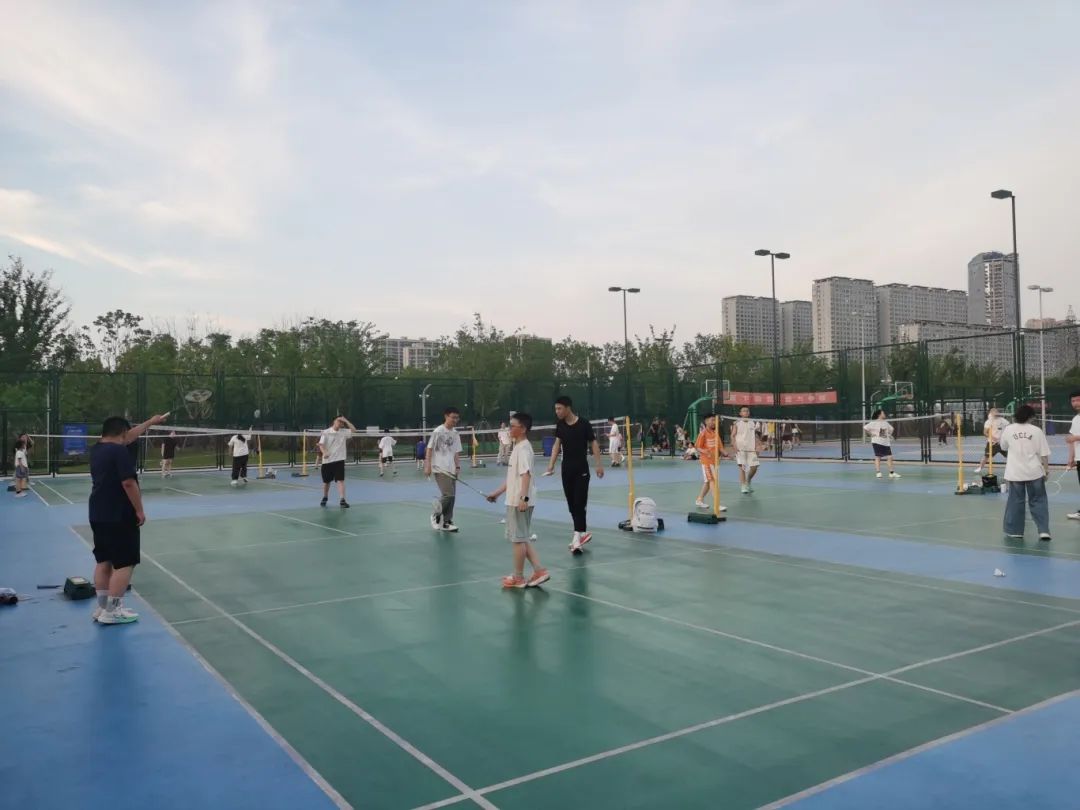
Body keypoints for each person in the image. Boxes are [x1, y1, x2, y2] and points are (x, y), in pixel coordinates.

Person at [89, 417, 148, 624]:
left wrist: (150, 422)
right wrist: (139, 510)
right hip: (119, 514)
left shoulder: (97, 449)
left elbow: (129, 436)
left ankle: (103, 607)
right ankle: (112, 611)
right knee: (125, 563)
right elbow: (128, 482)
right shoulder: (119, 451)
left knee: (103, 561)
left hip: (97, 513)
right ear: (123, 432)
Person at [486, 412, 549, 589]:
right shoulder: (519, 447)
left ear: (523, 429)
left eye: (512, 426)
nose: (509, 429)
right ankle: (539, 570)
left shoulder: (523, 449)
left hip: (519, 501)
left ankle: (518, 577)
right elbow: (513, 478)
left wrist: (523, 498)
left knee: (518, 540)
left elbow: (525, 475)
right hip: (515, 499)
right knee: (522, 538)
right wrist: (497, 493)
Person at [545, 395, 605, 554]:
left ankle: (576, 538)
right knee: (572, 504)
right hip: (566, 470)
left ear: (568, 408)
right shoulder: (560, 425)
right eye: (555, 409)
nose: (557, 411)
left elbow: (593, 443)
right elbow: (556, 445)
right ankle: (582, 533)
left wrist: (599, 465)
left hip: (581, 470)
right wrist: (551, 465)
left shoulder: (584, 424)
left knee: (579, 502)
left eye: (559, 408)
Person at [999, 405, 1052, 541]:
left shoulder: (1008, 429)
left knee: (1016, 501)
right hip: (1035, 471)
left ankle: (1015, 531)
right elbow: (1044, 453)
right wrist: (1046, 470)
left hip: (1015, 472)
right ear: (1031, 416)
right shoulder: (1037, 431)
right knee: (1039, 500)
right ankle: (1043, 531)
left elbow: (1003, 446)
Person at [425, 407, 462, 532]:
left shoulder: (455, 433)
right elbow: (429, 449)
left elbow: (456, 452)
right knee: (448, 494)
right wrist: (427, 465)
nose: (455, 420)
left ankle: (446, 522)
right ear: (446, 416)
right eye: (453, 417)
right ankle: (435, 515)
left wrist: (457, 467)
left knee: (452, 497)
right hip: (439, 468)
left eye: (457, 418)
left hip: (451, 468)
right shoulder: (438, 431)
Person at [318, 416, 356, 507]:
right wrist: (325, 452)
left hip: (339, 460)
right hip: (327, 461)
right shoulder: (326, 432)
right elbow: (321, 444)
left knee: (340, 480)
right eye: (339, 421)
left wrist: (346, 420)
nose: (340, 423)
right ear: (334, 422)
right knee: (326, 482)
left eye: (342, 422)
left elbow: (354, 430)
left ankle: (342, 500)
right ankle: (325, 497)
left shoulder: (344, 432)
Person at [694, 413, 728, 511]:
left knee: (708, 483)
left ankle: (699, 500)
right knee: (713, 481)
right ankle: (717, 504)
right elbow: (697, 447)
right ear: (706, 421)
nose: (714, 422)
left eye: (715, 420)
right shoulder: (703, 433)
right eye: (712, 420)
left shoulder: (715, 433)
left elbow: (720, 447)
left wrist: (725, 453)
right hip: (706, 462)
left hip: (714, 461)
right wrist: (705, 452)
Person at [730, 406, 761, 494]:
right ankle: (743, 486)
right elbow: (732, 435)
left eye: (747, 411)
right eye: (744, 411)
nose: (746, 412)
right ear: (740, 413)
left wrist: (758, 446)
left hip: (751, 449)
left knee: (754, 467)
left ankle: (748, 480)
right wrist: (734, 446)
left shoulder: (752, 423)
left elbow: (754, 435)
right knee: (742, 467)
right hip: (741, 449)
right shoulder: (737, 423)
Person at [863, 409, 901, 479]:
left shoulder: (885, 422)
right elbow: (865, 428)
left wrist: (889, 434)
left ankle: (891, 473)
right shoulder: (874, 422)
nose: (884, 414)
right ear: (879, 415)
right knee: (878, 457)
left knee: (890, 457)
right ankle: (878, 472)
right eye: (883, 413)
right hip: (877, 442)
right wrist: (871, 434)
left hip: (886, 443)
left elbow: (892, 429)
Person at [975, 407, 1009, 474]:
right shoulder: (988, 422)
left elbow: (1009, 426)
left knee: (1009, 456)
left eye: (996, 411)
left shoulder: (1003, 420)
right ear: (991, 413)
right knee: (986, 456)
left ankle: (1013, 468)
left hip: (1002, 443)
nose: (996, 413)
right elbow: (985, 433)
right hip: (992, 443)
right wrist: (994, 438)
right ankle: (980, 468)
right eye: (994, 412)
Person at [1066, 389, 1080, 521]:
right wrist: (1071, 458)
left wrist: (1075, 438)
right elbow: (1072, 440)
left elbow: (1073, 438)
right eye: (1073, 401)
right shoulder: (1075, 419)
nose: (1075, 403)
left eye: (1078, 400)